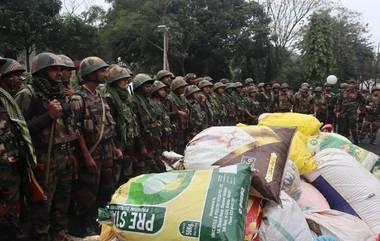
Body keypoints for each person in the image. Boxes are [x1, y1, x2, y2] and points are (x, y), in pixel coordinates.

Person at [16, 52, 78, 240]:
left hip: (64, 156)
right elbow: (18, 129)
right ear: (41, 71)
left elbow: (68, 126)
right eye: (54, 69)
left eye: (61, 69)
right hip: (43, 158)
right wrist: (47, 117)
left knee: (62, 202)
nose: (59, 73)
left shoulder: (59, 93)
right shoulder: (27, 94)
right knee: (42, 206)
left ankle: (60, 235)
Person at [70, 56, 122, 236]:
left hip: (106, 152)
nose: (105, 74)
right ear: (90, 74)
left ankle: (103, 222)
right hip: (91, 153)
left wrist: (114, 147)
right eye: (101, 71)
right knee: (88, 193)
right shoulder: (78, 98)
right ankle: (87, 226)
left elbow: (107, 125)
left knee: (106, 190)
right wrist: (86, 156)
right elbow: (76, 132)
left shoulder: (101, 96)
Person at [0, 57, 38, 241]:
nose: (18, 79)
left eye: (18, 75)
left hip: (14, 164)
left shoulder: (7, 100)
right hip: (3, 168)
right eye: (12, 75)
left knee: (14, 207)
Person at [105, 64, 142, 183]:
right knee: (115, 180)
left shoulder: (126, 97)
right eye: (123, 79)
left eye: (127, 79)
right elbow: (112, 125)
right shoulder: (110, 98)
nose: (127, 81)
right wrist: (116, 147)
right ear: (115, 81)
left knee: (127, 176)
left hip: (128, 143)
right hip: (117, 145)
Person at [132, 73, 165, 173]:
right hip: (142, 143)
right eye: (147, 86)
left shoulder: (147, 100)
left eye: (150, 86)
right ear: (139, 88)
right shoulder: (135, 101)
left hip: (151, 141)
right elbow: (136, 126)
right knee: (144, 170)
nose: (150, 88)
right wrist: (142, 146)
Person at [150, 80, 173, 154]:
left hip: (166, 135)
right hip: (159, 136)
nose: (164, 92)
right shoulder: (153, 104)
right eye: (161, 90)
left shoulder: (161, 103)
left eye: (164, 90)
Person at [168, 77, 189, 154]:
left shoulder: (182, 97)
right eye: (181, 88)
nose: (183, 89)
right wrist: (177, 113)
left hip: (183, 126)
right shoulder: (170, 98)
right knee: (177, 148)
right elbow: (166, 114)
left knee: (183, 146)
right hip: (175, 128)